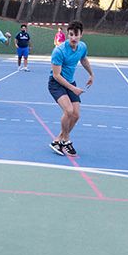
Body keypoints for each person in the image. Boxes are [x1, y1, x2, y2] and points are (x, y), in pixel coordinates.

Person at [48, 21, 94, 156]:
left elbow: (83, 59)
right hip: (56, 83)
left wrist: (91, 73)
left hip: (70, 82)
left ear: (81, 35)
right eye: (71, 35)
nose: (73, 38)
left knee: (76, 115)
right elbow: (56, 75)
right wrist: (73, 89)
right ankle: (66, 141)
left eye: (76, 35)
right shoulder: (59, 51)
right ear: (68, 34)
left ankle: (58, 140)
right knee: (68, 110)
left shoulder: (82, 47)